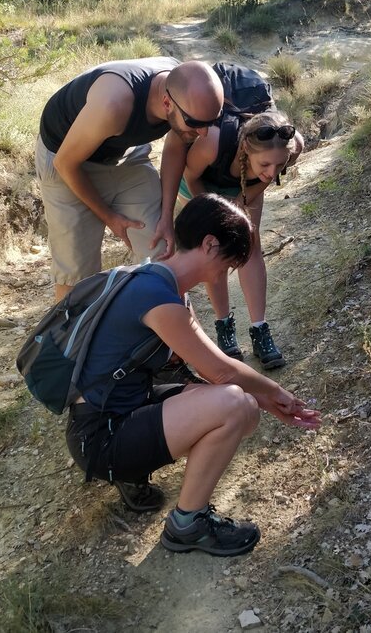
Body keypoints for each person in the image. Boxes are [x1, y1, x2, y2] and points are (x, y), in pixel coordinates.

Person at [66, 194, 321, 556]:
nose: (226, 273)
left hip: (111, 415)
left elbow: (208, 371)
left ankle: (134, 474)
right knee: (234, 406)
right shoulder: (158, 298)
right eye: (229, 263)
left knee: (244, 406)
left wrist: (267, 401)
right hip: (101, 438)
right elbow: (220, 371)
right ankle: (187, 524)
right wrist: (277, 392)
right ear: (209, 244)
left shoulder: (156, 282)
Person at [35, 57, 224, 301]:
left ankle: (162, 322)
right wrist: (109, 216)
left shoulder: (184, 89)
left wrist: (167, 216)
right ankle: (74, 326)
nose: (204, 133)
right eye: (196, 124)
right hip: (67, 159)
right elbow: (65, 164)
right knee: (77, 277)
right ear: (167, 103)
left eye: (212, 122)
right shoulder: (114, 104)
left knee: (161, 249)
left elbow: (176, 147)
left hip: (122, 155)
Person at [178, 109, 303, 369]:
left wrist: (242, 199)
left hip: (245, 185)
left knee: (250, 245)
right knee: (215, 251)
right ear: (246, 148)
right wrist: (213, 212)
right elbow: (190, 175)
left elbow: (266, 178)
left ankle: (260, 329)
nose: (272, 171)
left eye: (279, 165)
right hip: (199, 184)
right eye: (265, 164)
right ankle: (224, 326)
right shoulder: (213, 143)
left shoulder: (292, 147)